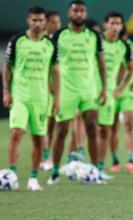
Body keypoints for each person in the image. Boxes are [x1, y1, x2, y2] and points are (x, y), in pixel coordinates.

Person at [47, 0, 107, 185]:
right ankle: (55, 171)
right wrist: (50, 86)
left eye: (82, 11)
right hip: (66, 90)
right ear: (69, 14)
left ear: (85, 14)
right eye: (75, 11)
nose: (79, 14)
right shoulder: (59, 35)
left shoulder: (94, 36)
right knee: (62, 130)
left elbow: (101, 63)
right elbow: (50, 63)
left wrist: (104, 88)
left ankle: (96, 170)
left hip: (88, 90)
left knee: (91, 127)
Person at [2, 6, 59, 191]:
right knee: (16, 133)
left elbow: (56, 73)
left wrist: (57, 98)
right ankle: (11, 173)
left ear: (45, 22)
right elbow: (7, 67)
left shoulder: (50, 45)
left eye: (41, 20)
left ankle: (33, 178)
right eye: (34, 20)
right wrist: (6, 91)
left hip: (40, 99)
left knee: (38, 139)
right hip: (20, 96)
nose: (37, 23)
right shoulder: (17, 41)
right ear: (28, 20)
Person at [96, 11, 133, 180]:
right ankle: (70, 161)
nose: (115, 26)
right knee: (83, 127)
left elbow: (131, 68)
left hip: (109, 92)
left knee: (104, 130)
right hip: (89, 91)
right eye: (111, 23)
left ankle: (98, 168)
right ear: (105, 25)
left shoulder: (124, 47)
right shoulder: (96, 41)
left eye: (118, 23)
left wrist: (121, 87)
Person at [109, 25, 133, 173]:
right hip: (113, 91)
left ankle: (130, 159)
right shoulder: (111, 47)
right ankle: (115, 159)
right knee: (112, 126)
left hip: (129, 92)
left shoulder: (130, 47)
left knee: (129, 125)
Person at [40, 10, 62, 171]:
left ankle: (49, 156)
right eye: (53, 22)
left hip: (59, 90)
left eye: (58, 22)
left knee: (55, 125)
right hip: (44, 90)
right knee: (46, 124)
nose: (57, 25)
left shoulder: (59, 42)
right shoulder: (43, 41)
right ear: (46, 22)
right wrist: (48, 85)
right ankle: (45, 156)